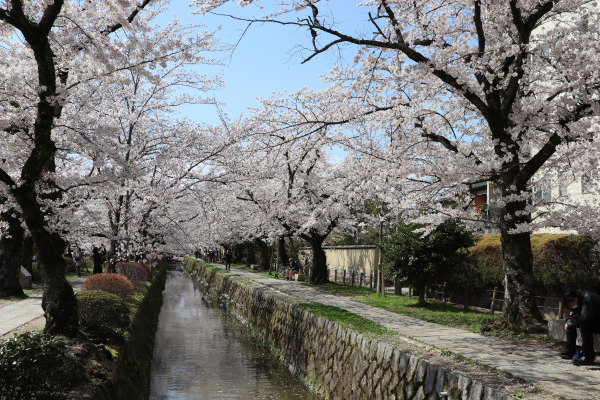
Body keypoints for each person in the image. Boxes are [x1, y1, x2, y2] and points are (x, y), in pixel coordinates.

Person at [561, 290, 600, 366]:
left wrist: (570, 323)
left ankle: (588, 357)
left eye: (570, 304)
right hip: (594, 320)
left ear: (575, 298)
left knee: (583, 325)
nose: (571, 306)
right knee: (569, 321)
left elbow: (585, 317)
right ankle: (570, 350)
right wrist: (574, 313)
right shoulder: (580, 299)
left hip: (596, 321)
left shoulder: (589, 298)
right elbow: (581, 311)